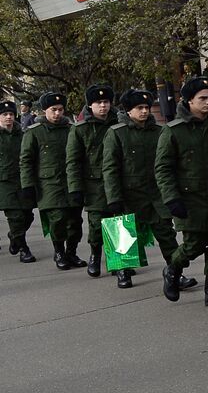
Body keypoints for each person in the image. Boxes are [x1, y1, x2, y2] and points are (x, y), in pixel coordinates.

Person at [155, 77, 208, 307]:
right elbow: (163, 168)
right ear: (188, 100)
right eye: (202, 98)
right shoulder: (173, 131)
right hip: (190, 198)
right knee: (193, 245)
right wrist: (172, 198)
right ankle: (172, 269)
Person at [102, 89, 198, 291]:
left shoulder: (160, 131)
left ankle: (175, 272)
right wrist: (113, 197)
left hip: (156, 193)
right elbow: (110, 168)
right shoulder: (117, 133)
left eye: (147, 107)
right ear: (129, 111)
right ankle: (123, 271)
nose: (145, 111)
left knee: (166, 234)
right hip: (130, 192)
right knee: (124, 232)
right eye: (140, 108)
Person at [19, 92, 83, 270]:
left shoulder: (71, 129)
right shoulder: (34, 132)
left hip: (71, 181)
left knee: (75, 220)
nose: (57, 114)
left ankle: (71, 252)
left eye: (60, 110)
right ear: (44, 110)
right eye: (53, 110)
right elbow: (25, 161)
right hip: (48, 184)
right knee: (58, 219)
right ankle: (59, 252)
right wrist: (27, 186)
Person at [66, 84, 118, 277]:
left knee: (118, 222)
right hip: (93, 184)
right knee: (97, 224)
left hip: (118, 181)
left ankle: (119, 263)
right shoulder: (80, 129)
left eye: (106, 102)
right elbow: (73, 161)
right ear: (90, 105)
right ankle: (95, 255)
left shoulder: (119, 123)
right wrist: (75, 189)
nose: (103, 106)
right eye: (98, 103)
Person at [1, 100, 37, 263]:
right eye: (4, 114)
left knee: (28, 216)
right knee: (15, 216)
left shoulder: (22, 134)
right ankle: (23, 248)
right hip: (3, 182)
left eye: (11, 114)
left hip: (22, 179)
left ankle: (14, 236)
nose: (8, 117)